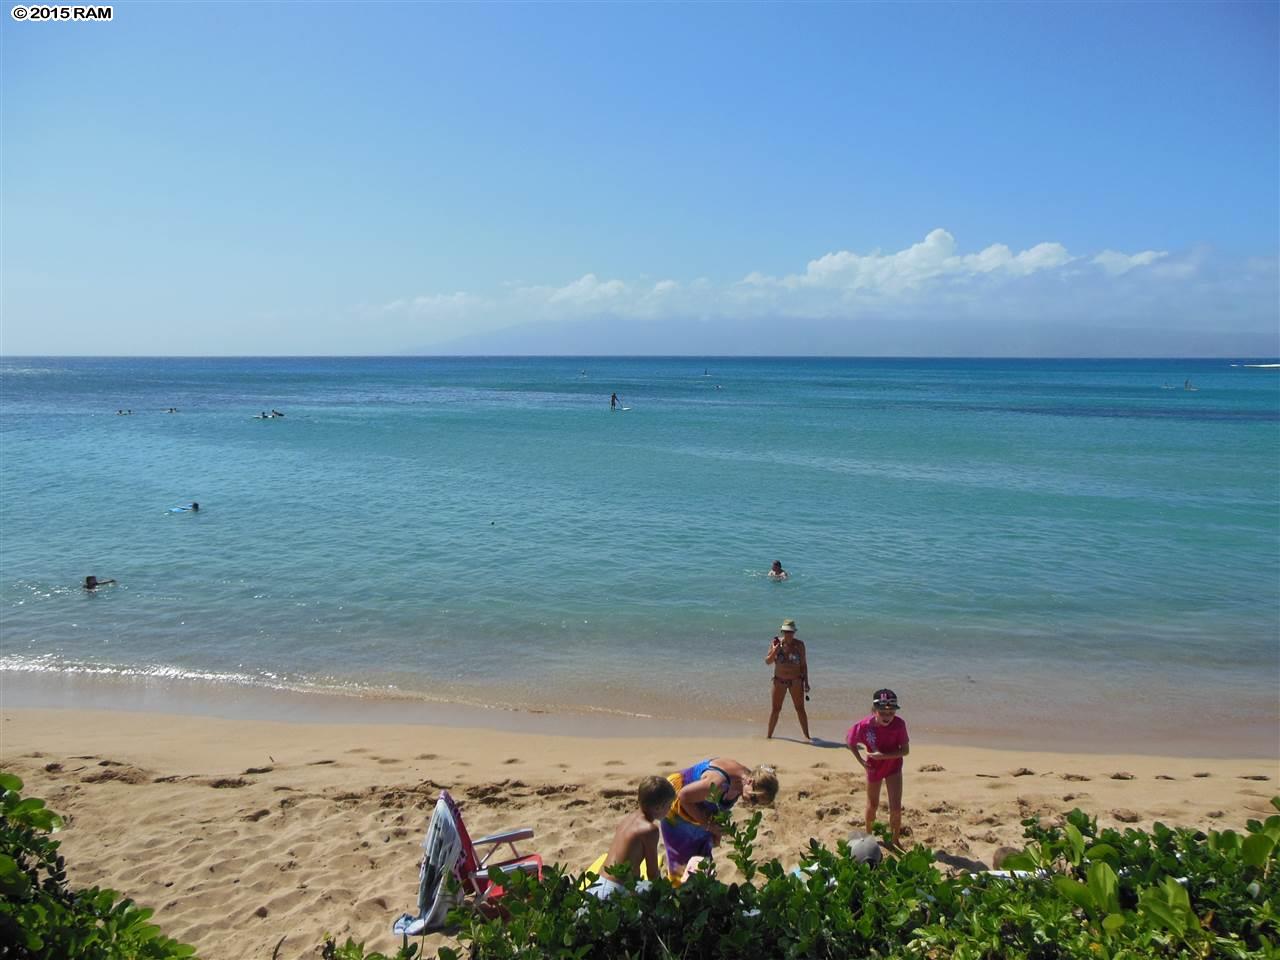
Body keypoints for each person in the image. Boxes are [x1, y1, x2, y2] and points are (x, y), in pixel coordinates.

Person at [659, 758, 778, 882]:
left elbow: (715, 805)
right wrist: (708, 826)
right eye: (754, 798)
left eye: (757, 803)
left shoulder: (746, 780)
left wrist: (714, 829)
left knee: (702, 862)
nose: (752, 804)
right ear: (750, 781)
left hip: (698, 809)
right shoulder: (719, 783)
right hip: (675, 804)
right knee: (680, 866)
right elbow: (683, 796)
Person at [585, 776, 677, 901]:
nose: (670, 809)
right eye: (669, 806)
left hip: (596, 885)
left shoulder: (627, 820)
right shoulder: (649, 830)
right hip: (613, 891)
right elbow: (652, 873)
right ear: (658, 807)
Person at [847, 688, 910, 847]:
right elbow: (850, 741)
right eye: (882, 713)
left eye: (891, 712)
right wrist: (861, 761)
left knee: (895, 807)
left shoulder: (899, 724)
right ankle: (868, 836)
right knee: (872, 805)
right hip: (873, 768)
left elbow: (905, 751)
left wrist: (883, 756)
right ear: (874, 710)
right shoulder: (864, 726)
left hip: (894, 766)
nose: (887, 717)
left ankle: (895, 840)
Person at [765, 619, 810, 740]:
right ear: (782, 632)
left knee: (800, 709)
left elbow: (803, 665)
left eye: (790, 632)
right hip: (779, 681)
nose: (788, 634)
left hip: (796, 681)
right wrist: (775, 651)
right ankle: (768, 737)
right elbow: (768, 661)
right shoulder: (776, 643)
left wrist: (806, 682)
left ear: (794, 632)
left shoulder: (799, 645)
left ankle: (807, 737)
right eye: (786, 632)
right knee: (776, 709)